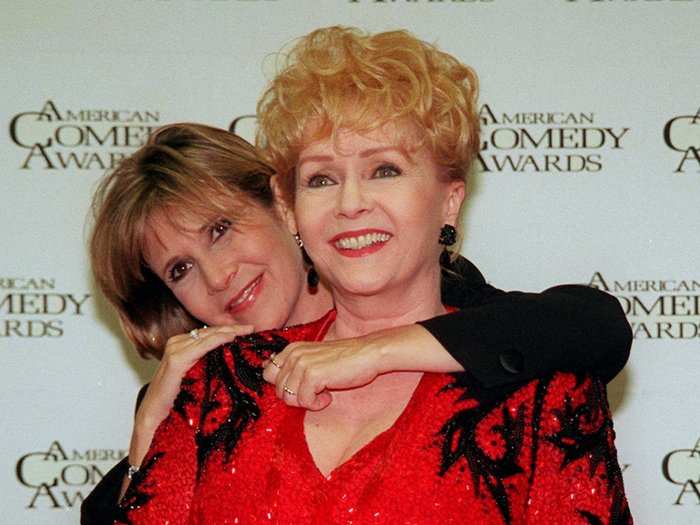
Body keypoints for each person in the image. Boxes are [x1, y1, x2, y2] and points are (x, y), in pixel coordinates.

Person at [114, 27, 631, 524]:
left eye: (384, 170)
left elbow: (594, 321)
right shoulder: (214, 387)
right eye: (320, 179)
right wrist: (146, 438)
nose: (351, 204)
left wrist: (374, 351)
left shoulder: (541, 384)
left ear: (450, 199)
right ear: (291, 210)